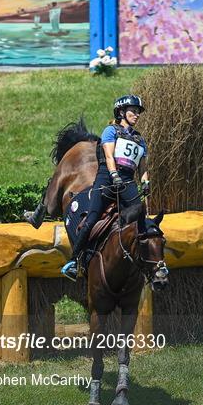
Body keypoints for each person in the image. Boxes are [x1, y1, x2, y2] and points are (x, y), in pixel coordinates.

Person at [61, 94, 150, 281]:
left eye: (138, 112)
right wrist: (114, 175)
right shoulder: (110, 131)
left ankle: (148, 262)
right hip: (107, 180)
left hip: (127, 182)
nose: (137, 114)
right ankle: (74, 261)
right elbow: (110, 157)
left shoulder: (140, 140)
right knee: (92, 219)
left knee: (144, 221)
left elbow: (143, 167)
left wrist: (146, 183)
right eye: (133, 111)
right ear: (121, 112)